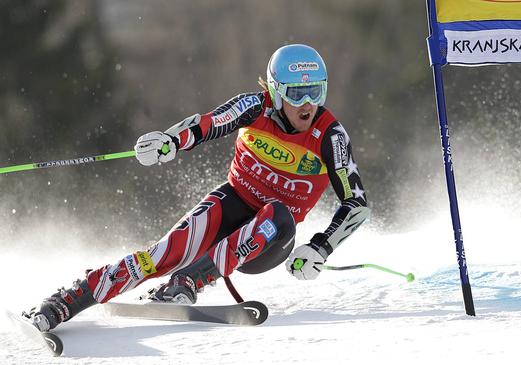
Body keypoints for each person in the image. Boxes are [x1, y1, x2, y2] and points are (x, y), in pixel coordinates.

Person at [27, 44, 369, 332]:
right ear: (277, 92)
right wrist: (169, 142)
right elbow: (210, 123)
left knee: (276, 214)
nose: (308, 104)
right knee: (164, 253)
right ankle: (70, 299)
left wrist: (321, 248)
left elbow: (356, 203)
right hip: (232, 204)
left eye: (316, 91)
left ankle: (189, 280)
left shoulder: (330, 136)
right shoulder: (255, 107)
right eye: (297, 93)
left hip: (271, 237)